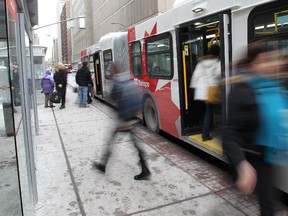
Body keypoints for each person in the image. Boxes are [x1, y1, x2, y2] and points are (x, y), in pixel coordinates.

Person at [222, 42, 287, 216]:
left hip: (270, 154)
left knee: (268, 203)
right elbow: (229, 133)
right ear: (252, 66)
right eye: (264, 61)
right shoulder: (241, 92)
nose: (271, 64)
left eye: (272, 60)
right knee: (268, 207)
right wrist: (242, 165)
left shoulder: (276, 87)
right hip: (253, 158)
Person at [93, 63, 151, 181]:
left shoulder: (116, 84)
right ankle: (145, 169)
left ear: (112, 72)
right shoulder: (128, 80)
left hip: (123, 119)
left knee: (110, 141)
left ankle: (103, 165)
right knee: (135, 143)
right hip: (130, 116)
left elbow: (113, 101)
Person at [190, 44, 221, 141]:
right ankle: (206, 134)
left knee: (209, 111)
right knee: (218, 111)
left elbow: (195, 76)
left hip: (202, 91)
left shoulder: (201, 63)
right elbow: (219, 75)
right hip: (212, 90)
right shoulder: (217, 62)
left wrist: (194, 89)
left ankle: (205, 133)